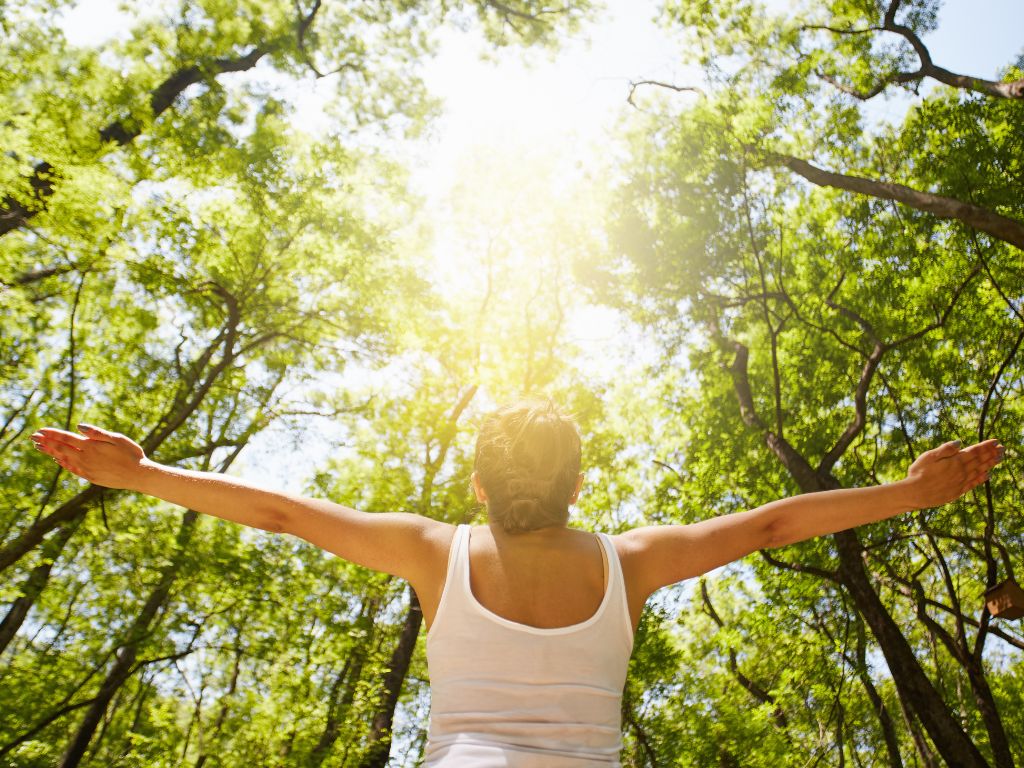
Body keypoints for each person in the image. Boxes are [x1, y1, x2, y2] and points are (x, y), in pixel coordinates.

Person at [31, 401, 1004, 766]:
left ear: (478, 485)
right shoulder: (629, 561)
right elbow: (774, 523)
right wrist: (908, 494)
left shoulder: (431, 549)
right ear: (581, 485)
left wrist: (146, 474)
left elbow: (283, 513)